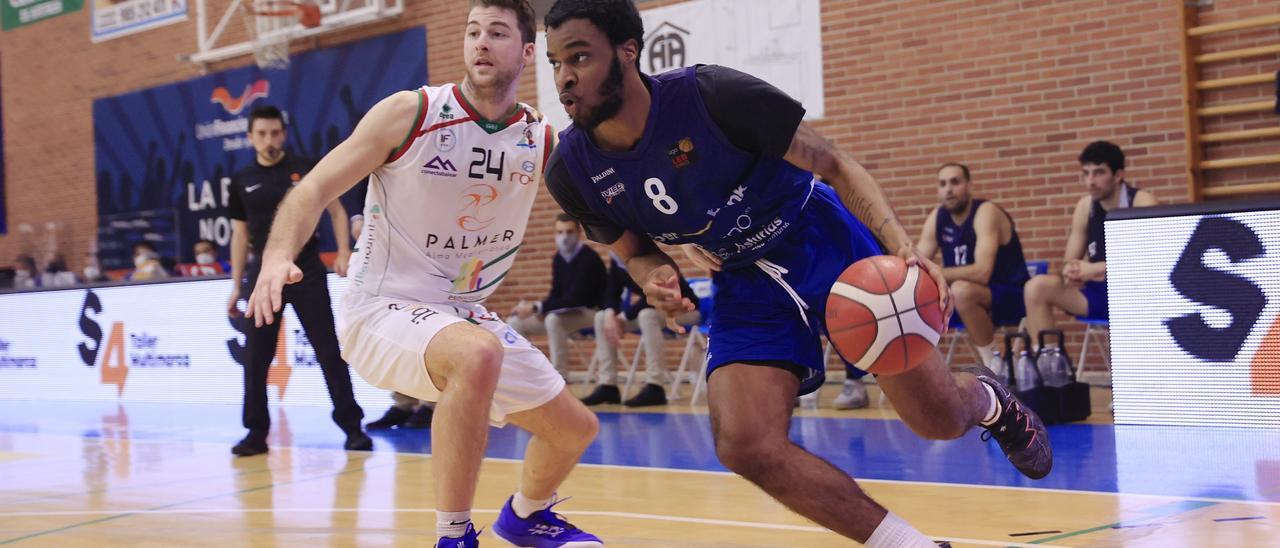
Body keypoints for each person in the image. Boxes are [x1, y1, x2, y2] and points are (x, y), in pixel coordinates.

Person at [542, 1, 1052, 544]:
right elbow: (634, 251)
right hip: (744, 278)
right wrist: (655, 279)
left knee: (938, 418)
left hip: (822, 241)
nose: (564, 78)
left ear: (627, 52)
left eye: (579, 57)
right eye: (553, 62)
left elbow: (833, 162)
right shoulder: (572, 171)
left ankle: (991, 401)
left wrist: (903, 247)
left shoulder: (711, 95)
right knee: (744, 443)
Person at [244, 2, 601, 546]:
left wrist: (674, 255)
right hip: (381, 307)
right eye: (473, 31)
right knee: (477, 354)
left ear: (528, 53)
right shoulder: (410, 114)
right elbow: (313, 189)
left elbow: (613, 213)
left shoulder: (539, 138)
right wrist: (276, 256)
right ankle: (453, 536)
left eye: (498, 33)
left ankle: (525, 516)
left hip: (461, 312)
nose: (481, 42)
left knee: (575, 430)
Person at [226, 104, 370, 457]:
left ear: (284, 134)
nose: (269, 139)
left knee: (327, 351)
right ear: (249, 137)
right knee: (256, 357)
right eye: (261, 133)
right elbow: (239, 236)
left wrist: (342, 252)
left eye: (275, 133)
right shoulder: (241, 181)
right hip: (263, 276)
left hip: (306, 270)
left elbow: (336, 210)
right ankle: (256, 433)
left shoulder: (304, 169)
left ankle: (352, 427)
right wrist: (235, 285)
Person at [1024, 141, 1156, 346]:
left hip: (1135, 293)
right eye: (1086, 173)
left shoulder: (1142, 201)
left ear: (1118, 175)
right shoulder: (1085, 206)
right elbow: (1069, 260)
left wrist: (1094, 269)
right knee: (1037, 286)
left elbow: (1151, 263)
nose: (1090, 181)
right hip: (1099, 292)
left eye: (1099, 173)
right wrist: (1071, 270)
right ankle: (1049, 364)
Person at [917, 163, 1029, 368]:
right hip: (965, 301)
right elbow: (918, 265)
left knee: (960, 290)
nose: (948, 189)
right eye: (942, 184)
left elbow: (982, 272)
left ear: (969, 186)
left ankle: (994, 363)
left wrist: (936, 272)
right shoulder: (937, 216)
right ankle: (916, 374)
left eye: (955, 182)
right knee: (912, 295)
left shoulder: (986, 212)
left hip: (1010, 294)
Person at [580, 251, 698, 407]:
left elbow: (654, 297)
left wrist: (622, 318)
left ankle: (655, 386)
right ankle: (608, 385)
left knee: (646, 315)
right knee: (601, 318)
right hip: (656, 311)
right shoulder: (617, 261)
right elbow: (611, 292)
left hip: (684, 308)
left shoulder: (649, 257)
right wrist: (610, 315)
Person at [506, 214, 607, 380]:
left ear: (579, 233)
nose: (564, 237)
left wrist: (537, 307)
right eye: (560, 232)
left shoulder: (588, 258)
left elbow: (576, 299)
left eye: (569, 232)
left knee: (553, 320)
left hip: (591, 312)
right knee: (515, 322)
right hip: (564, 313)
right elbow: (556, 294)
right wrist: (539, 310)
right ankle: (531, 375)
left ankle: (558, 378)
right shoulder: (558, 258)